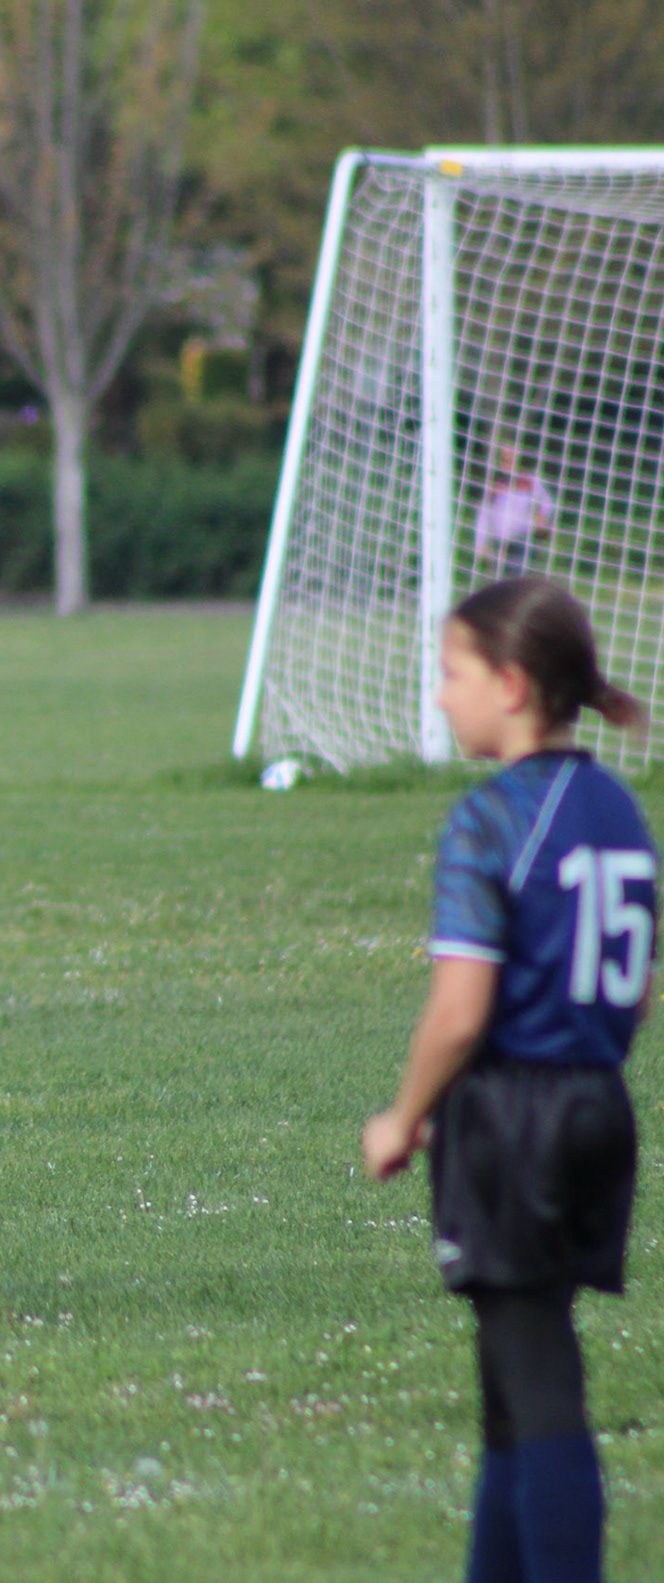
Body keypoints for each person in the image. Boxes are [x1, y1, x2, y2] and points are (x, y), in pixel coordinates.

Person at [362, 578, 651, 1583]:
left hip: (514, 1115)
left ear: (515, 685)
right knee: (509, 1390)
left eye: (454, 674)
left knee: (541, 1382)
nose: (440, 695)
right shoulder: (618, 806)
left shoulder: (491, 818)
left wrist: (404, 1116)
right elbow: (635, 989)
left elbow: (458, 1011)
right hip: (599, 1102)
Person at [474, 443, 554, 580]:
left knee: (517, 577)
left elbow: (547, 504)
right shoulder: (495, 485)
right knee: (501, 580)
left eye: (510, 458)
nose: (507, 463)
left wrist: (541, 518)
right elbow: (484, 514)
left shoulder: (529, 481)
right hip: (500, 540)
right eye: (503, 459)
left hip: (522, 538)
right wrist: (480, 542)